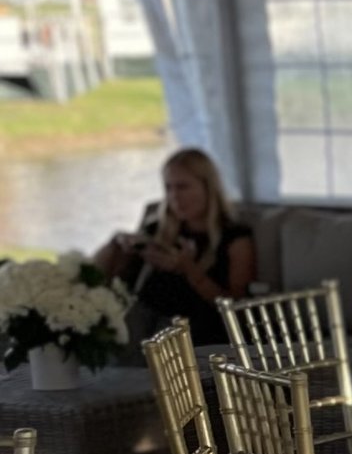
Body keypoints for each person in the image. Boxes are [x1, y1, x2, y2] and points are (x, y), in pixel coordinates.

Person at [97, 147, 257, 344]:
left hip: (200, 332)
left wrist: (189, 270)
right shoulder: (158, 228)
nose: (174, 197)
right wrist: (117, 246)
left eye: (182, 187)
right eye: (168, 188)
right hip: (144, 324)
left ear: (208, 187)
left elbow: (237, 309)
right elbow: (111, 282)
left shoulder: (234, 237)